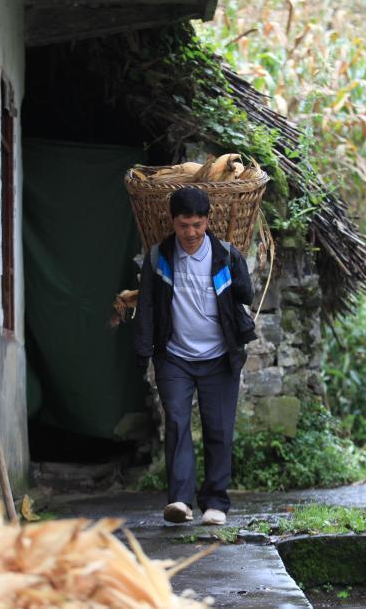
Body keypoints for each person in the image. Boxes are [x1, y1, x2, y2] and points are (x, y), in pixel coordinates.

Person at [134, 186, 256, 526]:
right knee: (176, 423)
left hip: (220, 357)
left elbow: (245, 295)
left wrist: (238, 270)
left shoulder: (224, 255)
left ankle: (216, 502)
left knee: (219, 429)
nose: (191, 233)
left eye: (198, 225)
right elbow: (146, 306)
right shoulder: (160, 257)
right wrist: (143, 352)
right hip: (174, 357)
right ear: (173, 222)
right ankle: (180, 501)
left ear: (207, 222)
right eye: (184, 225)